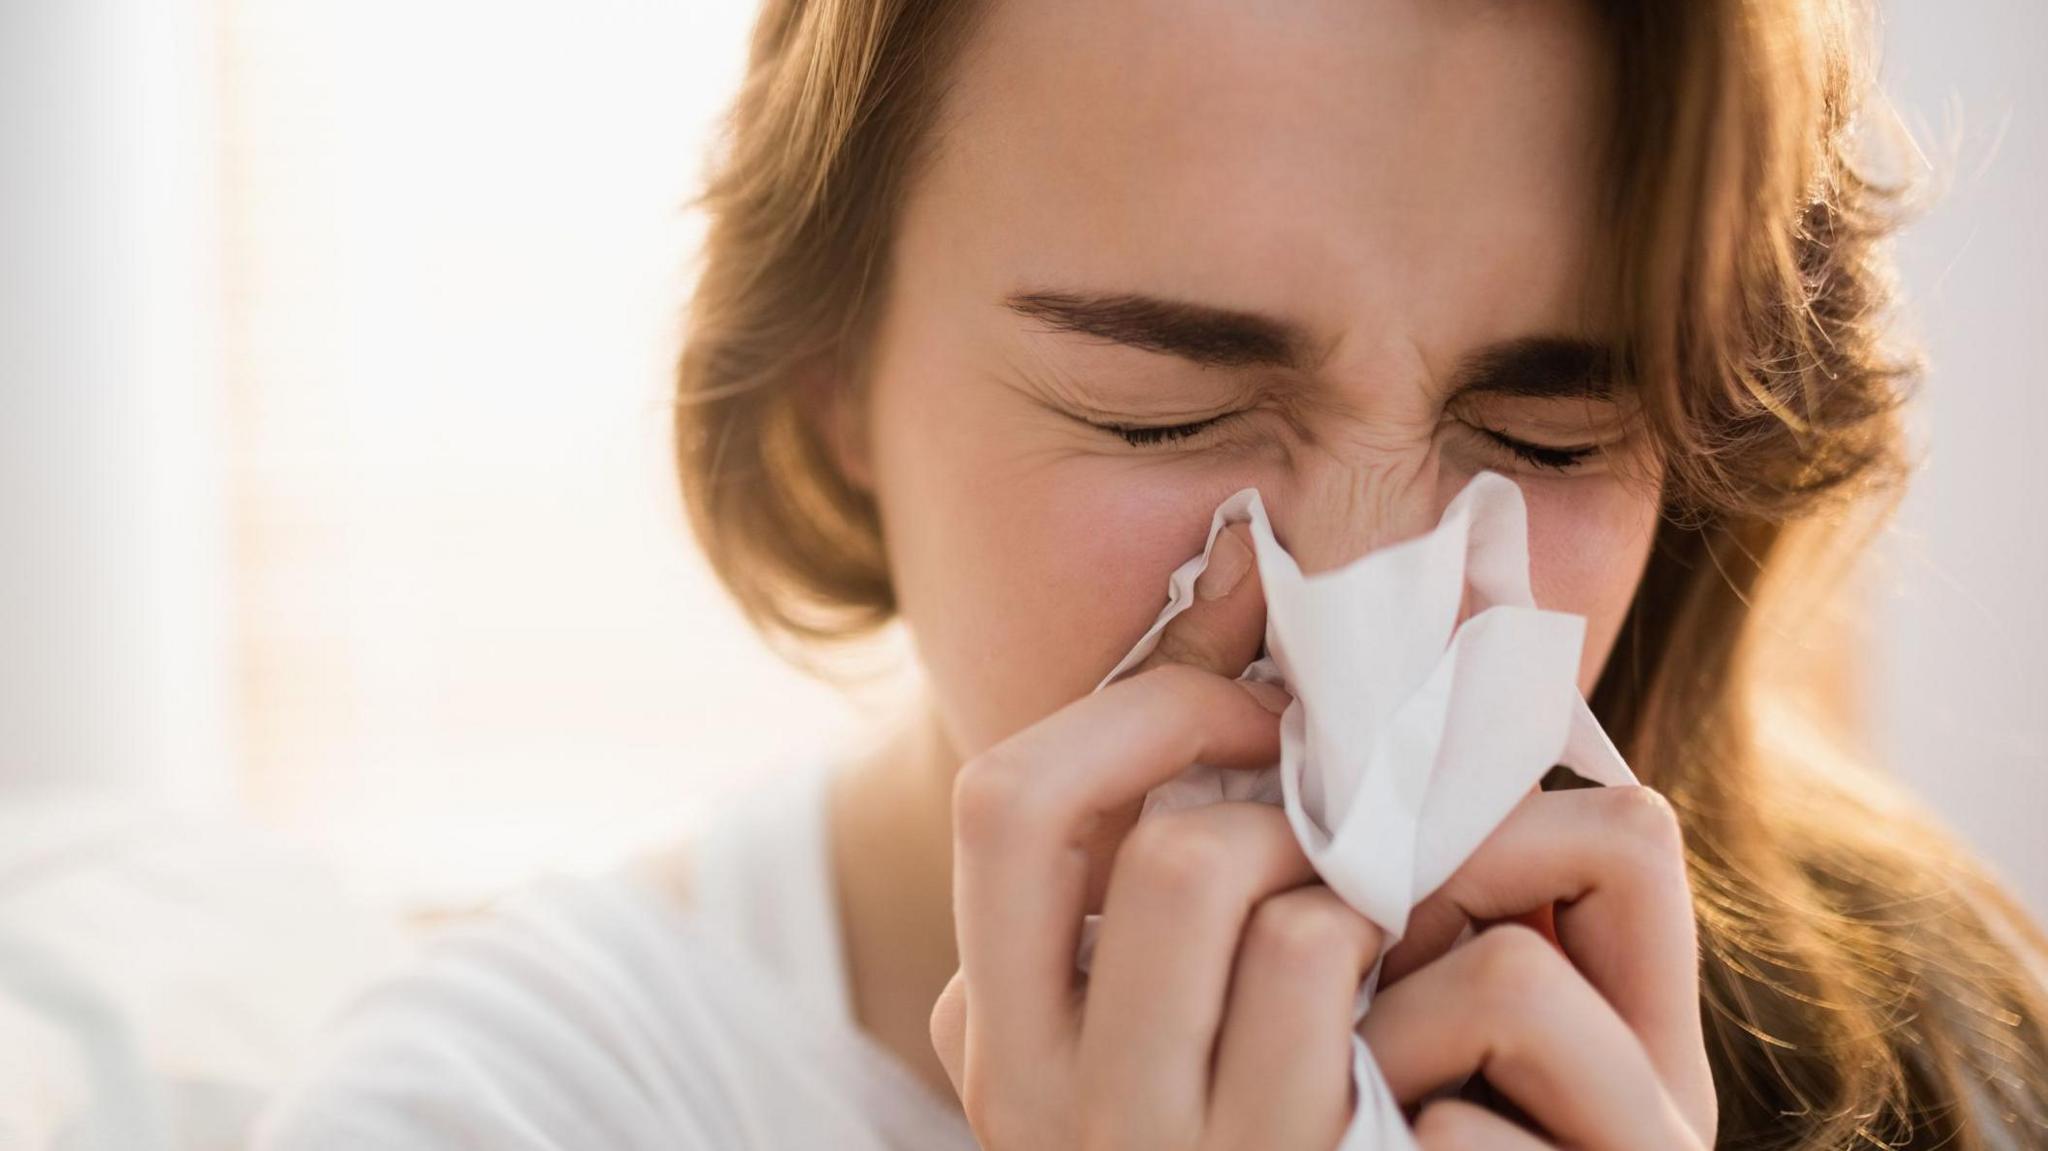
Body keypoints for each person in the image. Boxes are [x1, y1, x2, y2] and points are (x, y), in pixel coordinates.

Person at [255, 1, 2048, 1148]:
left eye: (1553, 438)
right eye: (1161, 414)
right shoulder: (510, 1108)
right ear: (830, 385)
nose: (1363, 610)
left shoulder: (1935, 1059)